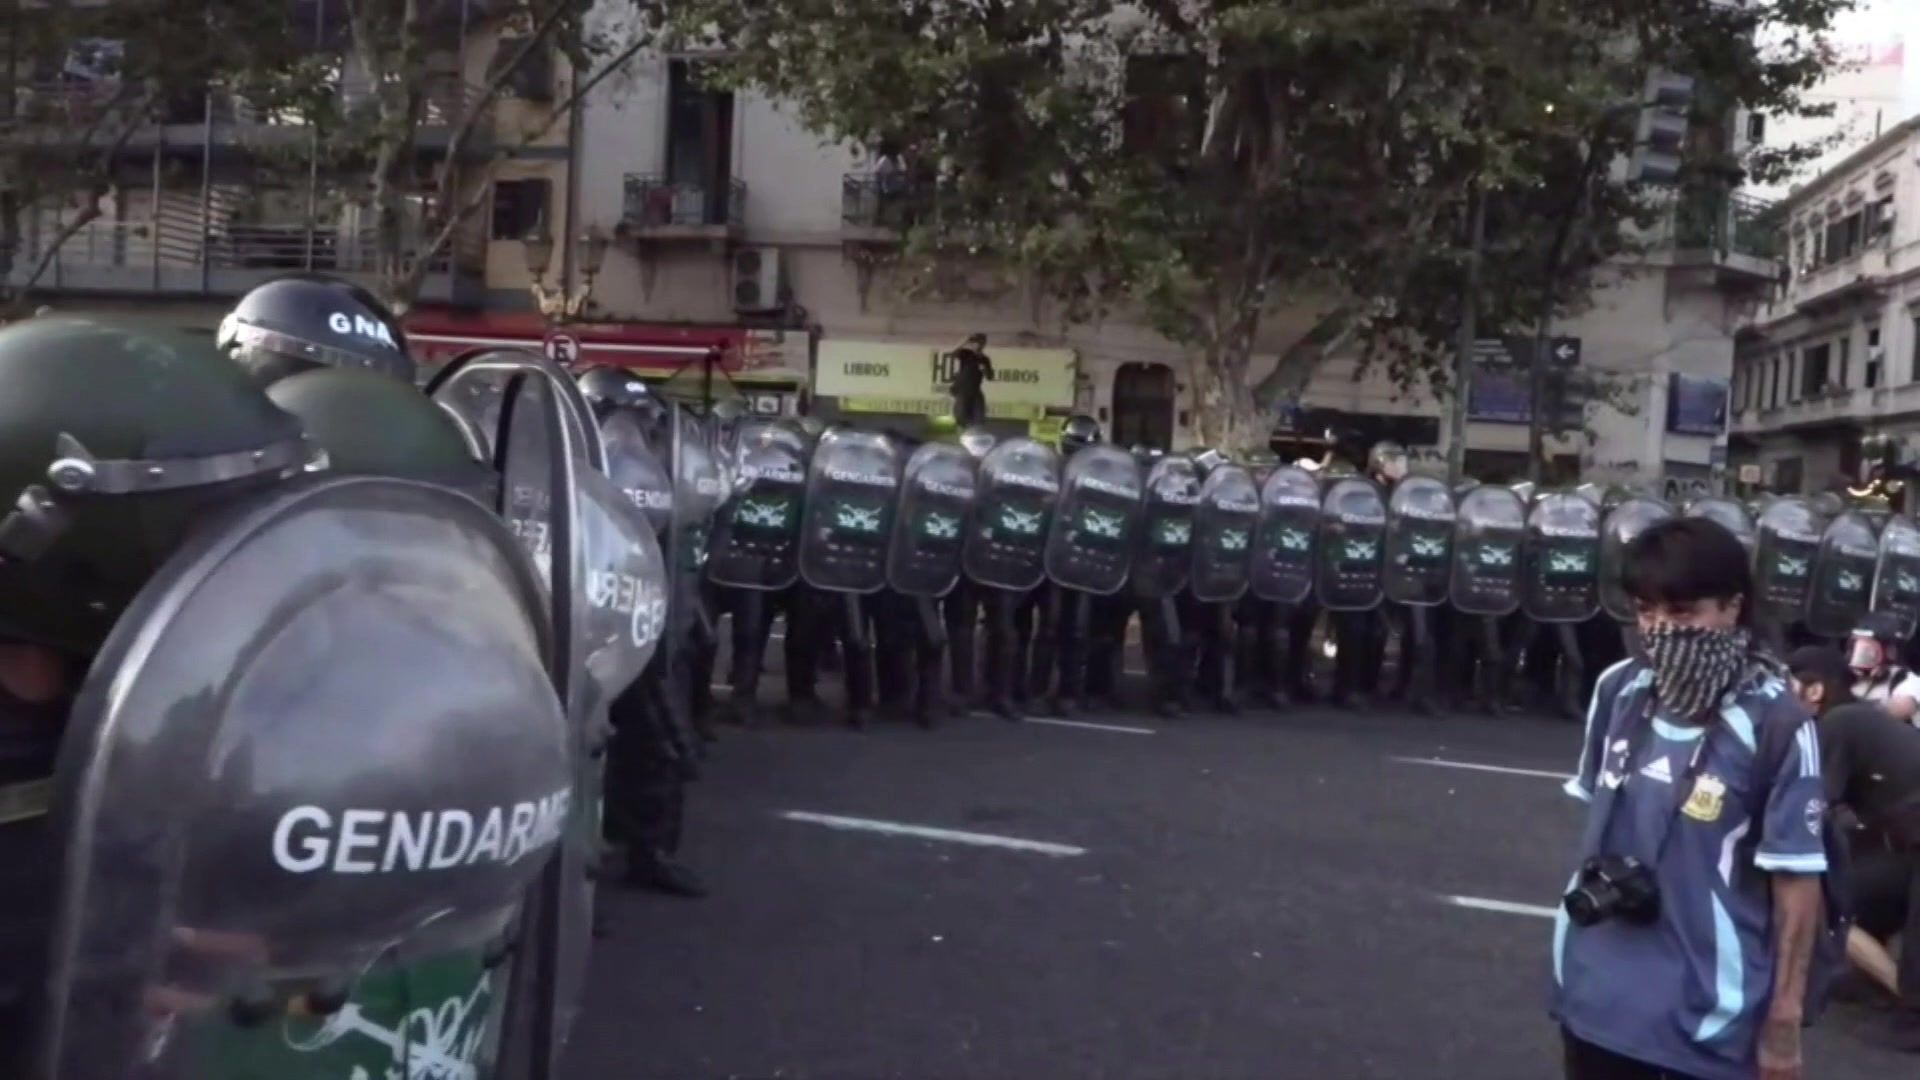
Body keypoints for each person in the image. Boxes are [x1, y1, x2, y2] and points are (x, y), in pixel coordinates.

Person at [1554, 517, 1828, 1080]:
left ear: (1733, 607)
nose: (1660, 632)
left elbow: (1797, 883)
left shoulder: (1777, 723)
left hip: (1705, 1019)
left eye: (1682, 613)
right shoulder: (1618, 690)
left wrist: (1783, 1016)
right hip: (1593, 998)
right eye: (1646, 612)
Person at [1784, 644, 1920, 1050]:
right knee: (1855, 896)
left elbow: (1815, 805)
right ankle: (1891, 986)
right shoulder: (1856, 718)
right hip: (1907, 837)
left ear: (1813, 691)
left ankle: (1910, 1003)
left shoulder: (1837, 723)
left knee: (1831, 898)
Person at [1846, 611, 1920, 723]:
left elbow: (1900, 708)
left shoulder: (1907, 681)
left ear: (1891, 651)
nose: (1861, 655)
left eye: (1868, 649)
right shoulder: (1844, 677)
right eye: (1856, 647)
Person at [947, 333, 994, 427]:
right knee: (962, 414)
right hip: (963, 389)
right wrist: (964, 341)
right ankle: (962, 427)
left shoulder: (984, 359)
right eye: (976, 343)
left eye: (981, 343)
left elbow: (990, 376)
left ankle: (975, 427)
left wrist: (984, 369)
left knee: (978, 415)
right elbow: (953, 354)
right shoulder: (966, 354)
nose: (978, 345)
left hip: (975, 389)